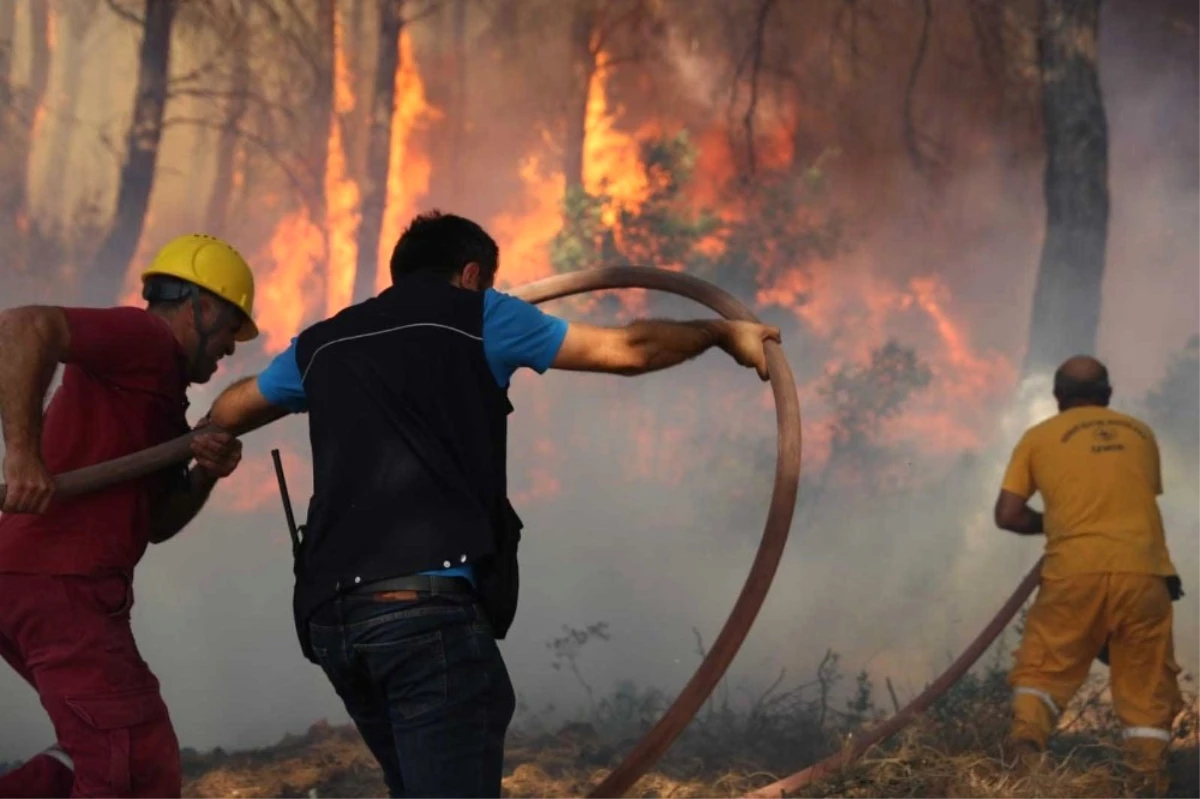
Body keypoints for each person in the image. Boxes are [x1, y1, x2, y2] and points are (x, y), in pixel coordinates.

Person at [205, 210, 781, 798]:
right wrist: (718, 335)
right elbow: (630, 348)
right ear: (472, 272)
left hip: (336, 623)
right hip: (424, 614)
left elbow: (233, 410)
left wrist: (204, 440)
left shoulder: (323, 341)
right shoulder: (483, 316)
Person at [0, 234, 257, 798]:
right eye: (231, 328)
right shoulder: (144, 338)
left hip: (58, 585)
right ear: (202, 307)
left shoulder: (162, 396)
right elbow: (23, 326)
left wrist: (204, 469)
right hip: (57, 582)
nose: (231, 351)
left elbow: (158, 524)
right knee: (127, 755)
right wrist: (22, 457)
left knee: (128, 757)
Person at [995, 355, 1183, 791]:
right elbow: (1130, 498)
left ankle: (1025, 771)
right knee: (1145, 690)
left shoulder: (1039, 437)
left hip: (1074, 573)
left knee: (1040, 676)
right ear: (1108, 395)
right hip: (1146, 575)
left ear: (1058, 397)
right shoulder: (1141, 434)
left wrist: (1057, 522)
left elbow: (1007, 514)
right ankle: (1148, 784)